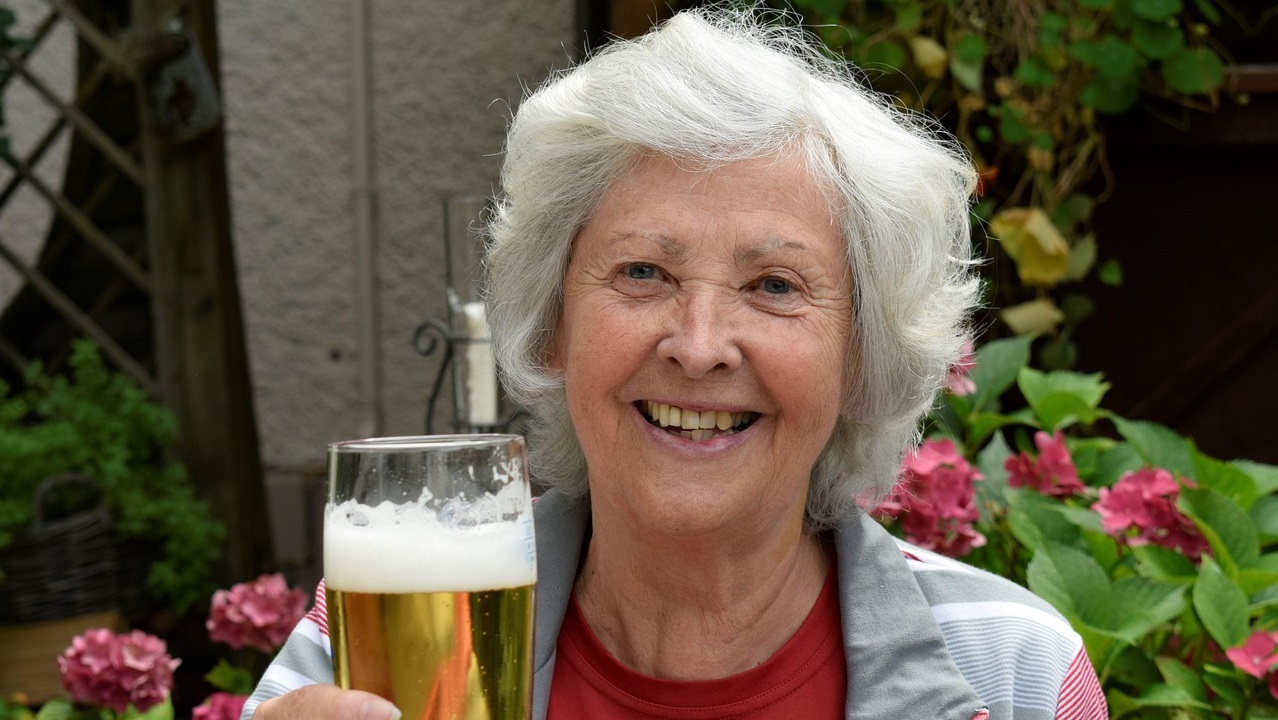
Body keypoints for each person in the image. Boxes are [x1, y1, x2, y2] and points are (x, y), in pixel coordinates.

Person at [244, 6, 1108, 719]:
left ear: (861, 355)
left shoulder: (1015, 672)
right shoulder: (369, 643)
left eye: (774, 285)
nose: (697, 346)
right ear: (553, 323)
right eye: (643, 272)